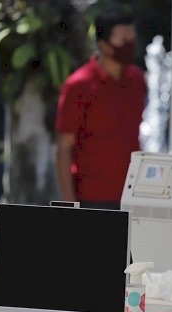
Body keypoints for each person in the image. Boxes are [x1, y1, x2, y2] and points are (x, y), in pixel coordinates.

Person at [55, 7, 146, 210]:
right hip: (91, 197)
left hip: (132, 195)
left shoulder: (137, 79)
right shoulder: (79, 85)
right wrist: (69, 204)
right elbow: (63, 148)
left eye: (132, 37)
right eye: (123, 39)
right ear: (103, 44)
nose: (129, 44)